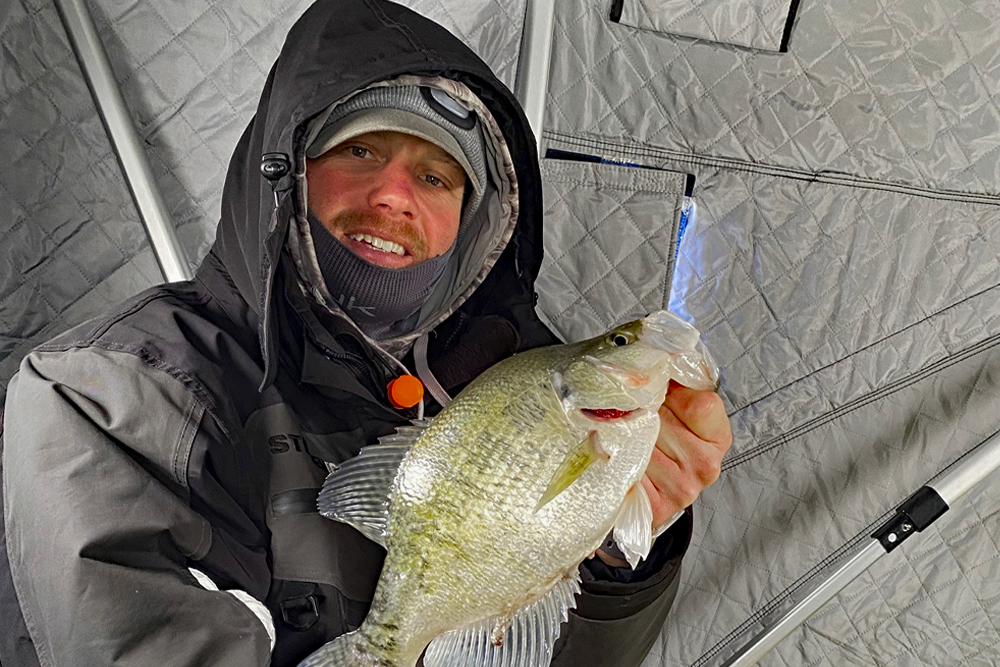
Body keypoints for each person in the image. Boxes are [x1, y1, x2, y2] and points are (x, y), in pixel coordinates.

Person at [0, 1, 732, 665]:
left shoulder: (505, 379)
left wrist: (610, 550)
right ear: (286, 169)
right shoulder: (107, 396)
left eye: (438, 177)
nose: (392, 196)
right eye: (359, 151)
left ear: (473, 222)